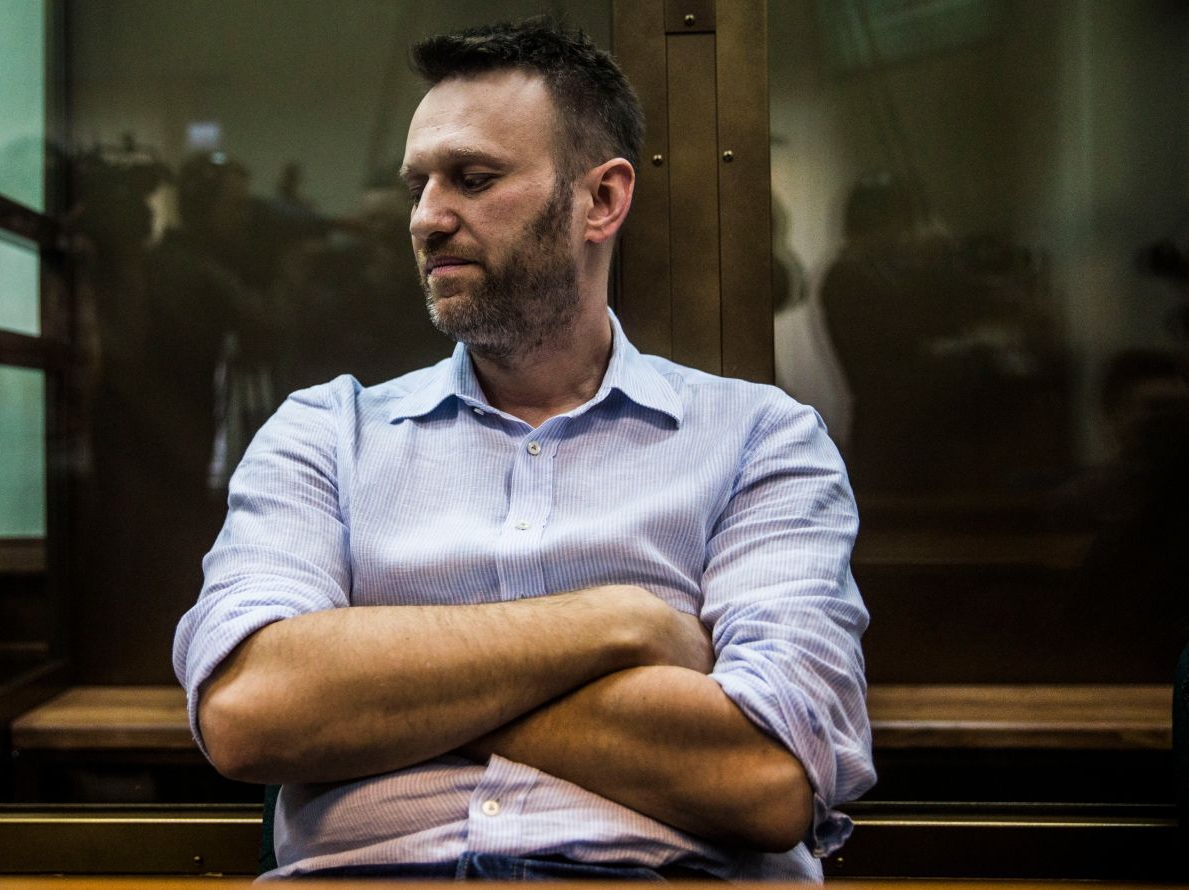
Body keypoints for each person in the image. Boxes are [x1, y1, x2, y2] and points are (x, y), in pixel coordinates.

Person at [173, 18, 874, 882]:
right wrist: (623, 625)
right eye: (418, 185)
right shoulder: (324, 435)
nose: (426, 218)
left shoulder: (759, 441)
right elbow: (249, 712)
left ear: (601, 200)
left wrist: (388, 697)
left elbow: (767, 780)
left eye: (473, 179)